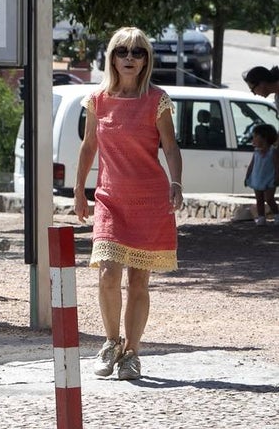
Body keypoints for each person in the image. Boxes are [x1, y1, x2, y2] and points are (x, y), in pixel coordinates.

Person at [73, 26, 184, 381]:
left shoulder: (157, 100)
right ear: (112, 57)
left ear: (146, 59)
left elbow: (170, 146)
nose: (130, 58)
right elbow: (89, 146)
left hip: (150, 200)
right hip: (109, 198)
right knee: (107, 272)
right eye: (123, 51)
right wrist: (79, 189)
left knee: (139, 280)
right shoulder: (97, 100)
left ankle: (132, 353)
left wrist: (177, 181)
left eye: (138, 53)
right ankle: (110, 342)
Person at [243, 123, 279, 225]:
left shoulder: (273, 152)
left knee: (269, 198)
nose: (253, 139)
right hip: (257, 178)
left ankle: (277, 215)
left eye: (255, 137)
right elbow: (251, 165)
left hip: (270, 179)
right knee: (259, 199)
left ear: (264, 138)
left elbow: (277, 166)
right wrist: (247, 176)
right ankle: (261, 217)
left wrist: (277, 177)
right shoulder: (256, 152)